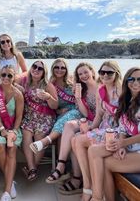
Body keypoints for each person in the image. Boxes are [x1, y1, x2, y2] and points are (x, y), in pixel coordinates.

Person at [44, 62, 97, 194]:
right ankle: (62, 165)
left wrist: (91, 127)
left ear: (92, 71)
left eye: (85, 72)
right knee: (69, 126)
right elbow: (85, 114)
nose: (83, 76)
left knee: (76, 138)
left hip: (100, 124)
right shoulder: (82, 90)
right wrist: (78, 98)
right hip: (89, 120)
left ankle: (76, 178)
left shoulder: (101, 87)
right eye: (80, 74)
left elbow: (102, 114)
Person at [88, 67, 140, 201]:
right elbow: (123, 127)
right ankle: (97, 197)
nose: (135, 82)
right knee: (94, 151)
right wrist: (121, 145)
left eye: (139, 79)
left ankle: (97, 198)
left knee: (104, 163)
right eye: (131, 79)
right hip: (132, 146)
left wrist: (123, 143)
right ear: (126, 81)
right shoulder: (127, 100)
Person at [73, 61, 122, 200]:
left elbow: (128, 118)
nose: (105, 75)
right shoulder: (101, 90)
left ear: (116, 73)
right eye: (102, 72)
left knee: (80, 141)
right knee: (76, 138)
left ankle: (92, 191)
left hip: (117, 130)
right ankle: (88, 186)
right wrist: (91, 128)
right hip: (104, 127)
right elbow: (99, 115)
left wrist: (122, 140)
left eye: (109, 72)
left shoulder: (122, 90)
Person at [0, 65, 24, 201]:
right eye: (3, 75)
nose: (6, 78)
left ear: (14, 77)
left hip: (13, 127)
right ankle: (10, 181)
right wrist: (2, 130)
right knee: (1, 147)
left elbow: (19, 116)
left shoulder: (18, 94)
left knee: (12, 148)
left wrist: (13, 131)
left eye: (9, 75)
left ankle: (7, 191)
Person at [18, 60, 58, 181]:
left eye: (39, 68)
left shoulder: (47, 85)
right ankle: (32, 169)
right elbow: (10, 79)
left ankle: (31, 169)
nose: (36, 69)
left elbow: (55, 106)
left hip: (45, 117)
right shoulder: (25, 82)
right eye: (34, 66)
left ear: (43, 72)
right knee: (26, 134)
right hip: (30, 116)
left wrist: (49, 97)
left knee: (39, 136)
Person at [29, 58, 77, 154]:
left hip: (75, 112)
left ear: (66, 70)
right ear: (52, 69)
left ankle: (59, 161)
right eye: (56, 67)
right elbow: (50, 106)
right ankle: (60, 163)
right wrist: (59, 111)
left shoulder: (72, 82)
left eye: (62, 67)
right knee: (61, 133)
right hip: (60, 114)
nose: (59, 70)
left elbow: (80, 99)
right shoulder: (49, 84)